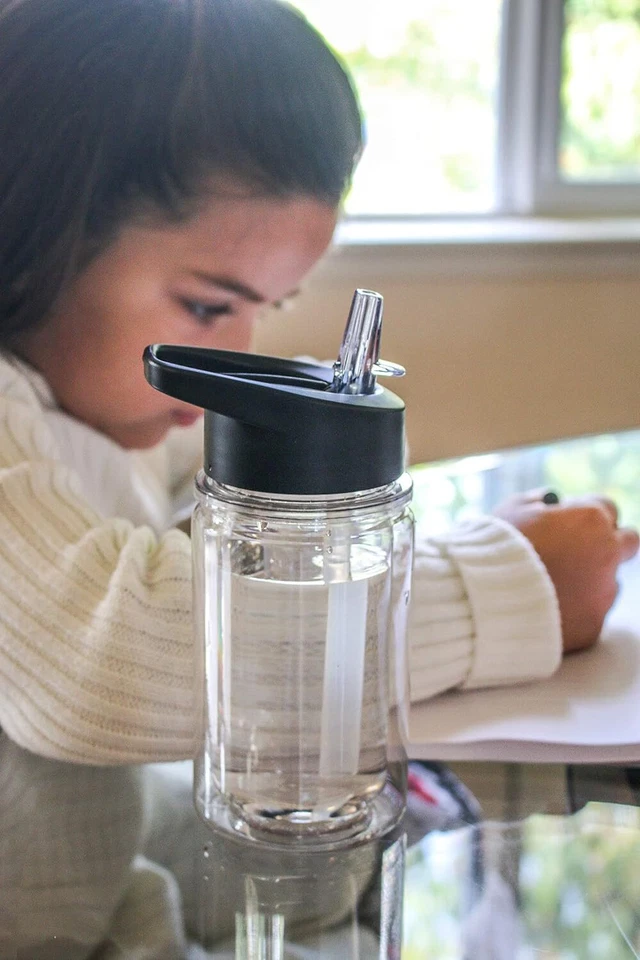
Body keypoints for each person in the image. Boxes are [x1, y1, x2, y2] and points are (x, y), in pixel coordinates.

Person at [0, 0, 637, 955]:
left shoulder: (103, 411)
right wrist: (503, 589)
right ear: (40, 225)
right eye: (211, 304)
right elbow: (105, 658)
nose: (240, 354)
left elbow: (200, 520)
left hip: (104, 898)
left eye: (267, 309)